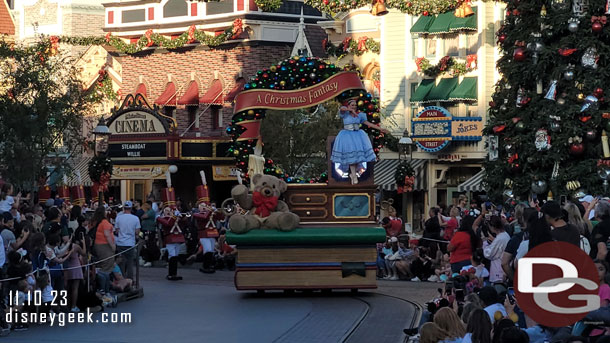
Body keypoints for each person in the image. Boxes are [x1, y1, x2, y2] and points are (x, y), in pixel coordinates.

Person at [330, 98, 389, 184]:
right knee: (352, 157)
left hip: (358, 135)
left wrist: (380, 129)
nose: (354, 107)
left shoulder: (360, 115)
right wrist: (350, 110)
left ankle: (353, 174)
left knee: (358, 157)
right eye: (352, 105)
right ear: (349, 106)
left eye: (355, 105)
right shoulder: (345, 114)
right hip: (347, 136)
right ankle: (354, 175)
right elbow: (342, 109)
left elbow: (368, 123)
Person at [114, 201, 140, 280]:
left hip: (120, 242)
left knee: (121, 262)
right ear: (131, 208)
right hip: (130, 243)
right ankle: (130, 280)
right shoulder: (135, 218)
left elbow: (117, 231)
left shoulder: (119, 217)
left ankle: (122, 279)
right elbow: (137, 232)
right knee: (130, 263)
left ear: (123, 208)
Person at [158, 207, 184, 281]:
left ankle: (174, 273)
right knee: (172, 255)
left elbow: (184, 224)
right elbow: (168, 223)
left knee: (175, 255)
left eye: (169, 210)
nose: (168, 212)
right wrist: (174, 217)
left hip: (178, 238)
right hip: (169, 238)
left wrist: (180, 218)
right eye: (166, 210)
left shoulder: (174, 218)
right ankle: (170, 274)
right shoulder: (161, 218)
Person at [483, 216, 510, 284]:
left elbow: (488, 254)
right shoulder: (504, 235)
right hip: (500, 269)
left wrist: (485, 243)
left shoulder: (500, 238)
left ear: (493, 227)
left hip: (498, 271)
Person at [91, 206, 116, 275]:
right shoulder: (104, 222)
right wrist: (113, 246)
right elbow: (107, 234)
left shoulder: (97, 222)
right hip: (105, 245)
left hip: (98, 244)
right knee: (107, 265)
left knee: (104, 264)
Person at [65, 233, 86, 312]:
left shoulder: (64, 246)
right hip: (76, 267)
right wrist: (83, 243)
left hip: (67, 267)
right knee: (75, 288)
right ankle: (73, 306)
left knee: (67, 287)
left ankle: (66, 305)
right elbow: (83, 253)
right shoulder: (76, 246)